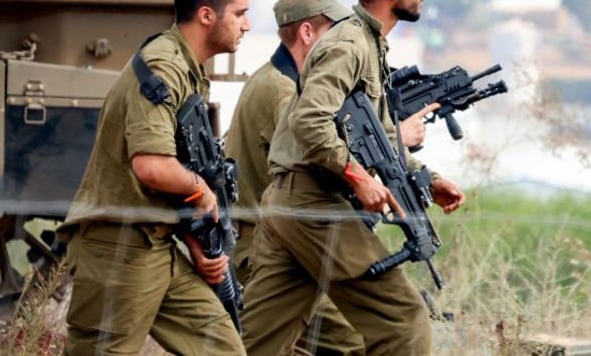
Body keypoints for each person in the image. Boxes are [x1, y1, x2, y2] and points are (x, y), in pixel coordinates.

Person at [239, 0, 465, 355]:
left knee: (259, 343)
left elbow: (384, 135)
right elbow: (310, 121)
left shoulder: (367, 42)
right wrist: (357, 176)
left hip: (292, 203)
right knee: (403, 321)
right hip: (315, 205)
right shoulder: (348, 43)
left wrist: (428, 178)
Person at [56, 0, 250, 354]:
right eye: (239, 14)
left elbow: (176, 168)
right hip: (119, 248)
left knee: (224, 348)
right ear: (207, 15)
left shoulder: (189, 69)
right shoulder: (164, 65)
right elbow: (153, 166)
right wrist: (200, 189)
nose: (248, 25)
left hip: (158, 245)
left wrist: (196, 243)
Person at [224, 1, 370, 354]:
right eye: (333, 31)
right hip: (272, 251)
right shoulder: (283, 91)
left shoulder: (272, 79)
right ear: (307, 33)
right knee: (357, 341)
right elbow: (312, 158)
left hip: (271, 243)